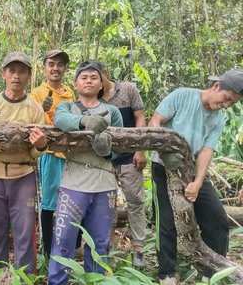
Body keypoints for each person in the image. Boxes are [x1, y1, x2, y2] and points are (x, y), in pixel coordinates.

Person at [149, 69, 243, 285]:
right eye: (227, 98)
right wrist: (165, 150)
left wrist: (198, 182)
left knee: (217, 219)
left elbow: (206, 151)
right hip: (163, 166)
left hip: (191, 167)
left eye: (232, 103)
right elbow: (155, 122)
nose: (227, 105)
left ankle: (211, 271)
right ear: (217, 86)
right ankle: (167, 273)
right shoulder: (182, 95)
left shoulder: (218, 119)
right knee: (167, 219)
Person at [48, 61, 123, 284]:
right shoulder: (66, 107)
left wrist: (108, 153)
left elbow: (123, 146)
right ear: (76, 83)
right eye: (84, 77)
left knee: (99, 242)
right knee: (63, 239)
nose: (88, 81)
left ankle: (95, 280)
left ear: (101, 83)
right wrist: (83, 121)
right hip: (74, 182)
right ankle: (57, 281)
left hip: (104, 184)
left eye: (93, 77)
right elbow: (60, 121)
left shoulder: (113, 112)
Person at [0, 52, 48, 275]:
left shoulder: (34, 108)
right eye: (12, 71)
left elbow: (37, 150)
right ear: (4, 74)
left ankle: (24, 277)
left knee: (25, 231)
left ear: (28, 76)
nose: (16, 76)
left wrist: (42, 145)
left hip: (23, 175)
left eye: (22, 71)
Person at [89, 59, 148, 267]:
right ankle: (108, 250)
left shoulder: (128, 89)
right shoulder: (91, 98)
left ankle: (139, 250)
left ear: (105, 72)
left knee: (135, 201)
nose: (93, 81)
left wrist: (140, 149)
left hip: (129, 157)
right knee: (106, 204)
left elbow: (140, 118)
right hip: (104, 160)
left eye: (96, 76)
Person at [30, 49, 74, 257]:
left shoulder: (70, 92)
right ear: (44, 68)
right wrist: (40, 108)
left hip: (70, 154)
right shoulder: (37, 92)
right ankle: (48, 250)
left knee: (70, 198)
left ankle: (69, 245)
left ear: (65, 68)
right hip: (48, 153)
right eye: (51, 64)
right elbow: (29, 121)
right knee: (48, 201)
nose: (55, 68)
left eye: (60, 64)